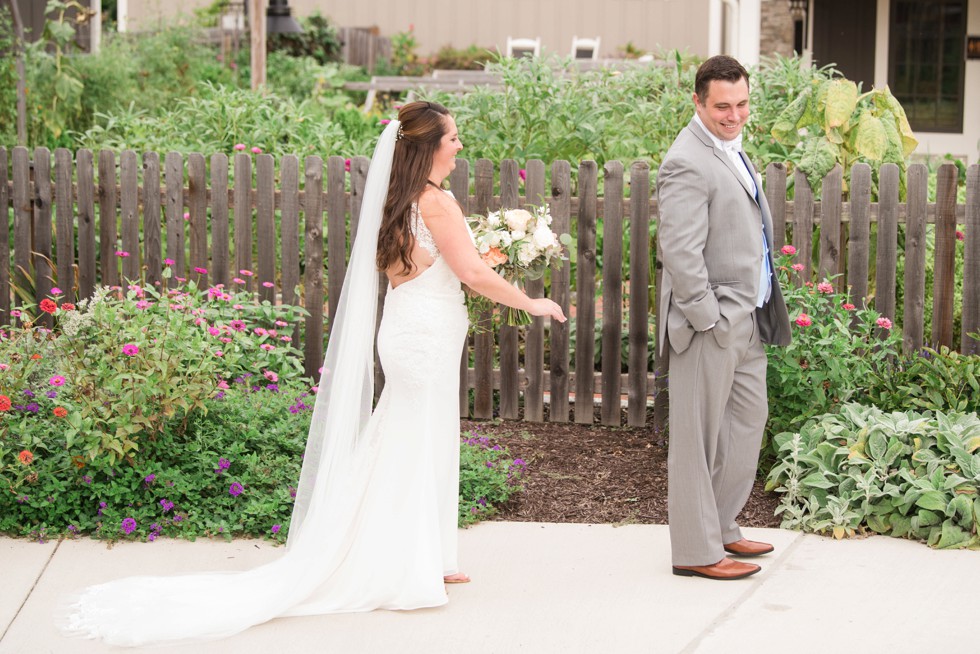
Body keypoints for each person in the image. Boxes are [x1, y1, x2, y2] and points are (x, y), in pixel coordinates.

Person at [58, 101, 565, 646]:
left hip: (410, 332)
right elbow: (468, 271)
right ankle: (408, 566)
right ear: (428, 147)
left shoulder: (400, 201)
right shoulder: (436, 202)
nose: (460, 146)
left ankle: (429, 557)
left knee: (415, 438)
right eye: (453, 138)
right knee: (416, 440)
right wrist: (531, 302)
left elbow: (433, 268)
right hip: (425, 337)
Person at [656, 56, 791, 581]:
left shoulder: (731, 149)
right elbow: (680, 251)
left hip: (748, 315)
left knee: (745, 424)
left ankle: (722, 525)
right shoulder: (685, 159)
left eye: (741, 104)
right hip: (709, 321)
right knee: (698, 437)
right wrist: (707, 318)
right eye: (722, 107)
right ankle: (695, 550)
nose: (734, 115)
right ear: (697, 102)